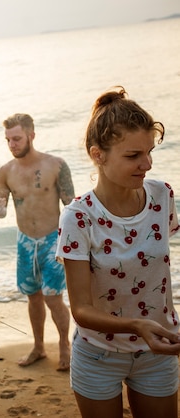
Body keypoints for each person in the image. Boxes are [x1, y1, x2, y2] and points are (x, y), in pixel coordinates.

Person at [56, 87, 180, 418]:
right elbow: (80, 309)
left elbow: (155, 267)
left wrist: (156, 327)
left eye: (149, 152)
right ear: (98, 154)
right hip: (99, 354)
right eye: (133, 156)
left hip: (159, 349)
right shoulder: (77, 216)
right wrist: (138, 326)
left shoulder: (162, 195)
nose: (147, 164)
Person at [0, 113, 74, 371]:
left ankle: (64, 345)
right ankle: (38, 347)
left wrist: (79, 244)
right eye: (8, 140)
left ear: (31, 135)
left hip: (53, 239)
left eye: (16, 138)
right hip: (25, 242)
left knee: (52, 296)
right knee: (33, 297)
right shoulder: (5, 171)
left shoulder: (56, 165)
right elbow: (1, 202)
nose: (12, 144)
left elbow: (71, 207)